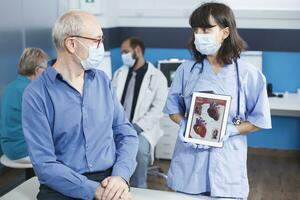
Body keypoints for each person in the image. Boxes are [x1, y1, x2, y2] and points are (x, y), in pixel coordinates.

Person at [22, 10, 138, 200]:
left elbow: (126, 133)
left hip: (109, 180)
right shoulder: (36, 94)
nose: (102, 47)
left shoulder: (102, 81)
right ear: (72, 44)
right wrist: (94, 190)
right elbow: (44, 164)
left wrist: (120, 176)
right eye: (97, 40)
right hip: (61, 185)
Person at [163, 3, 271, 199]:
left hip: (227, 164)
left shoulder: (248, 74)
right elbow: (172, 109)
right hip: (190, 162)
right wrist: (185, 125)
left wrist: (231, 130)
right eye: (196, 30)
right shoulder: (186, 71)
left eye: (206, 29)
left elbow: (259, 120)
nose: (199, 34)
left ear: (225, 32)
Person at [112, 37, 168, 188]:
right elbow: (111, 101)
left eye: (125, 52)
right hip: (118, 125)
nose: (123, 55)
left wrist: (136, 127)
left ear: (137, 51)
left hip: (142, 129)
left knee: (139, 152)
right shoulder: (119, 74)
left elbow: (158, 109)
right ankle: (116, 186)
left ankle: (139, 187)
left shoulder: (157, 77)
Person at [0, 48, 48, 164]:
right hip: (22, 149)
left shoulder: (12, 86)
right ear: (37, 70)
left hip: (8, 146)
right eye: (45, 69)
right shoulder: (30, 91)